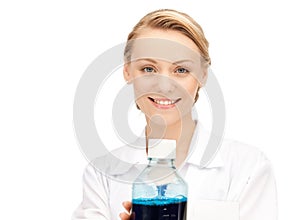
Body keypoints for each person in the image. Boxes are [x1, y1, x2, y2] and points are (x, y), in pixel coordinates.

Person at [72, 9, 277, 220]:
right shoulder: (102, 174)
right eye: (149, 69)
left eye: (181, 70)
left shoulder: (248, 168)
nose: (164, 86)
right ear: (127, 72)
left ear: (203, 76)